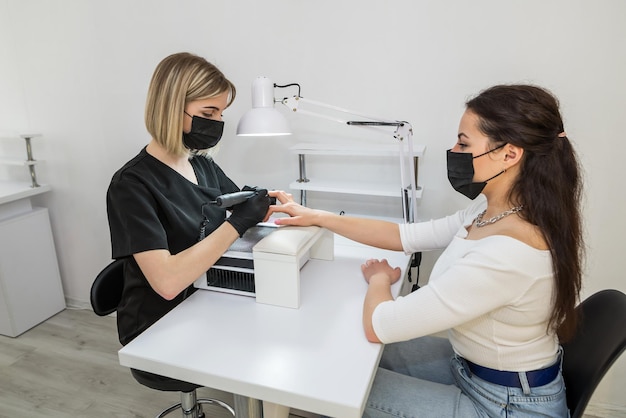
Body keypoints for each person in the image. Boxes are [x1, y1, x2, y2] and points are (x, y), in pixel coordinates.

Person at [268, 84, 583, 417]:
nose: (454, 150)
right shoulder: (494, 212)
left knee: (343, 381)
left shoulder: (508, 253)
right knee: (350, 351)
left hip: (506, 405)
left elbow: (380, 324)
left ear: (509, 154)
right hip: (476, 369)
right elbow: (406, 235)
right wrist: (318, 216)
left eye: (463, 143)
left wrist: (379, 280)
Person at [107, 52, 271, 347]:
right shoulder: (131, 185)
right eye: (208, 114)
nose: (217, 123)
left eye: (220, 114)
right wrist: (239, 222)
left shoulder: (201, 163)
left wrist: (265, 203)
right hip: (159, 323)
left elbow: (241, 208)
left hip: (209, 295)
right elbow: (167, 283)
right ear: (170, 108)